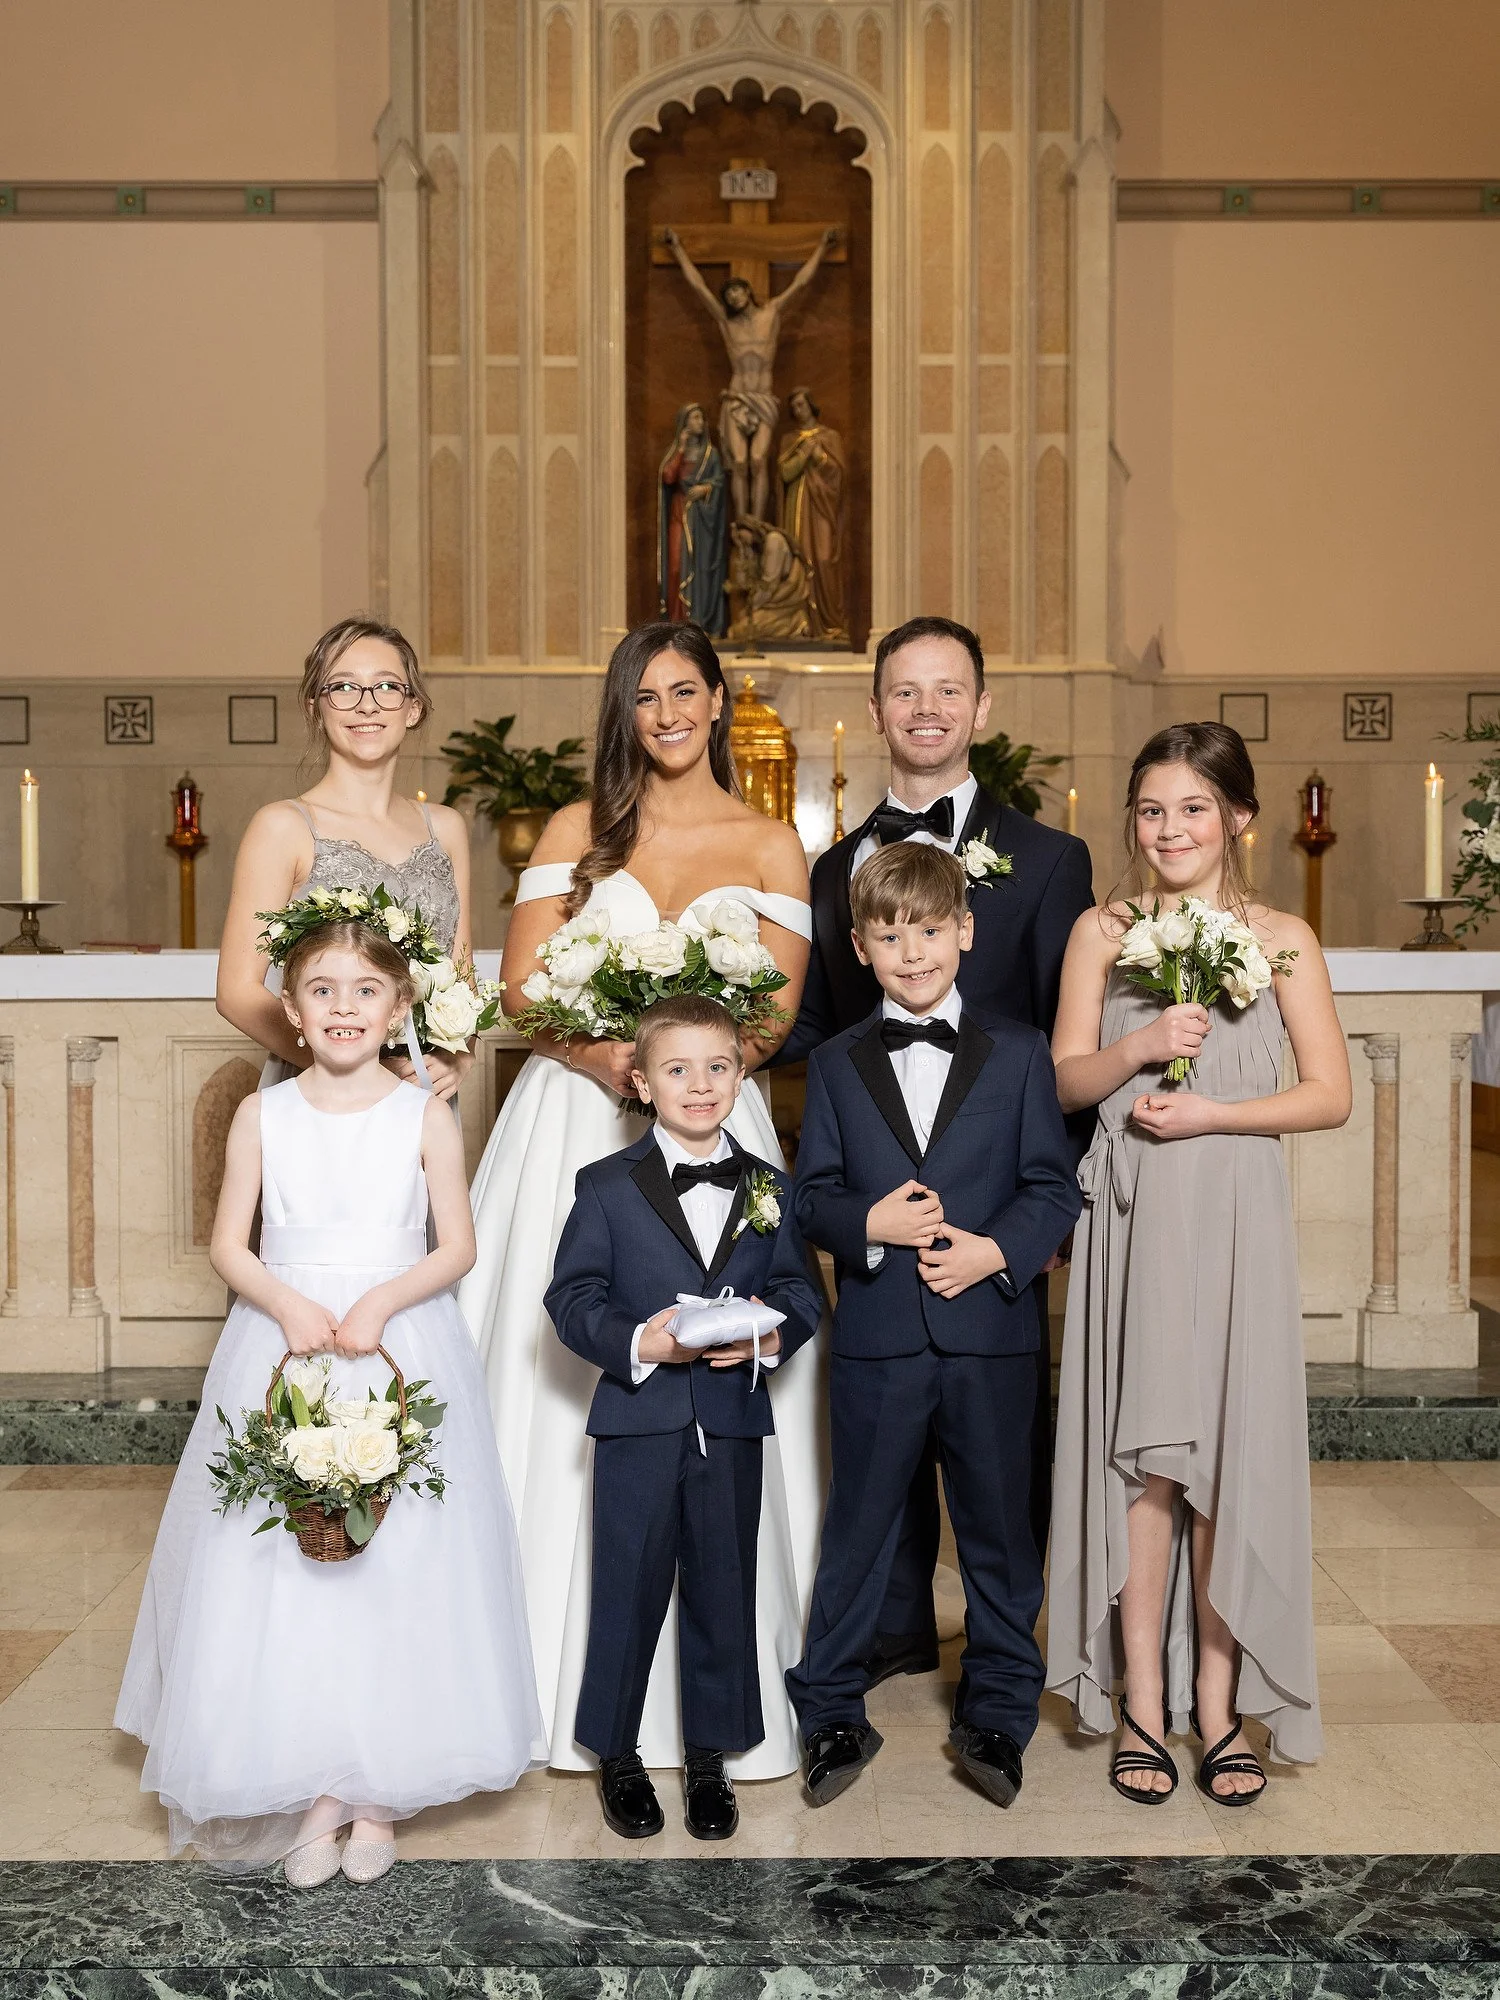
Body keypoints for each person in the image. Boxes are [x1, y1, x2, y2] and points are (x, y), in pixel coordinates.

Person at [458, 620, 823, 1779]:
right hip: (576, 1115)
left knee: (723, 1390)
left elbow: (767, 1022)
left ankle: (719, 1705)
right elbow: (520, 992)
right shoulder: (577, 830)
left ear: (720, 699)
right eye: (643, 696)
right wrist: (614, 1058)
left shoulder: (772, 840)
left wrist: (687, 1074)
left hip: (717, 1122)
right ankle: (544, 1678)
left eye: (685, 690)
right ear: (623, 711)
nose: (666, 713)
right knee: (549, 1385)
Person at [116, 916, 544, 1881]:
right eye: (321, 990)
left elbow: (456, 1244)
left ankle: (379, 1790)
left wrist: (384, 1300)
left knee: (397, 1565)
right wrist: (285, 1301)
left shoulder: (424, 1115)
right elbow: (232, 1241)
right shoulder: (265, 1116)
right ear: (294, 1013)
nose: (343, 1007)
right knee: (286, 1567)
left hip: (399, 1342)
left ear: (399, 1010)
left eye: (365, 991)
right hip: (285, 1339)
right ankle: (315, 1779)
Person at [779, 615, 1094, 1690]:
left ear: (982, 707)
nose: (926, 709)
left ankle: (1001, 1657)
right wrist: (850, 1193)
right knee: (879, 1437)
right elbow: (823, 1030)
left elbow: (1066, 1037)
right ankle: (893, 1627)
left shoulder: (1050, 859)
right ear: (875, 711)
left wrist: (1037, 1225)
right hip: (879, 1197)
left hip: (998, 1202)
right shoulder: (835, 870)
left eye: (947, 689)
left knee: (996, 1450)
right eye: (904, 692)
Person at [1046, 723, 1351, 1806]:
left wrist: (1215, 1109)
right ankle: (1139, 1698)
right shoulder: (1101, 929)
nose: (1169, 829)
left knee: (1228, 1456)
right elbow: (1066, 1083)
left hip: (1234, 1218)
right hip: (1132, 1216)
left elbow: (1330, 1092)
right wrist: (1135, 1049)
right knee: (1147, 1465)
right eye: (1150, 809)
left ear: (1238, 818)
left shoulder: (1283, 939)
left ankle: (1218, 1707)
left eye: (1191, 808)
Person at [786, 843, 1081, 1810]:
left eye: (926, 930)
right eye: (887, 934)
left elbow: (1052, 1186)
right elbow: (812, 1195)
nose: (910, 951)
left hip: (992, 1334)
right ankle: (830, 1708)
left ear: (964, 931)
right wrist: (866, 1225)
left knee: (999, 1532)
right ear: (861, 949)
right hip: (877, 1339)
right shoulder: (834, 1065)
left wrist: (997, 1252)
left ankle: (997, 1708)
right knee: (858, 1531)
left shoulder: (1023, 1051)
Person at [544, 997, 824, 1841]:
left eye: (717, 1067)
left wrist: (770, 1336)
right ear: (640, 1082)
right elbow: (570, 1298)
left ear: (741, 1076)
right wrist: (639, 1342)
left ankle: (711, 1756)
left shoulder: (772, 1188)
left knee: (722, 1587)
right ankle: (617, 1753)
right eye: (677, 1069)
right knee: (625, 1591)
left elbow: (802, 1293)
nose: (699, 1085)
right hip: (638, 1420)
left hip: (732, 1423)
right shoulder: (605, 1187)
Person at [217, 615, 473, 1097]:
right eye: (344, 688)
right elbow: (236, 992)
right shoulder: (283, 827)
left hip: (419, 1093)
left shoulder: (446, 829)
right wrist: (353, 1070)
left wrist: (460, 1055)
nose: (366, 705)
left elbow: (461, 977)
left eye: (386, 687)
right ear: (316, 707)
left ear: (412, 706)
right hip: (319, 1091)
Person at [661, 227, 839, 523]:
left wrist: (822, 246)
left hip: (763, 398)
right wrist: (677, 249)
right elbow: (698, 288)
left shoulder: (771, 313)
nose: (733, 297)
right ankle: (742, 522)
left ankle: (756, 524)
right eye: (728, 294)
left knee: (759, 460)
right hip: (736, 398)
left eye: (737, 291)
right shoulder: (725, 323)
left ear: (747, 292)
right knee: (740, 463)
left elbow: (801, 282)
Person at [776, 387, 848, 641]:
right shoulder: (789, 440)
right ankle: (800, 623)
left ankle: (829, 625)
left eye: (801, 404)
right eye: (794, 406)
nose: (798, 410)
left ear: (811, 404)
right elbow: (784, 474)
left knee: (825, 559)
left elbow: (838, 475)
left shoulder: (830, 437)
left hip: (822, 510)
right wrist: (803, 454)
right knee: (799, 560)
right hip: (797, 507)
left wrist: (818, 456)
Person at [658, 403, 728, 634]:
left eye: (701, 417)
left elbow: (719, 482)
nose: (700, 422)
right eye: (695, 417)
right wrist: (680, 448)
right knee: (678, 564)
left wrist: (706, 488)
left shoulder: (711, 455)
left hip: (704, 519)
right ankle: (679, 621)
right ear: (685, 422)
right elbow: (668, 477)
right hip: (681, 512)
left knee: (702, 565)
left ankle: (701, 620)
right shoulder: (676, 451)